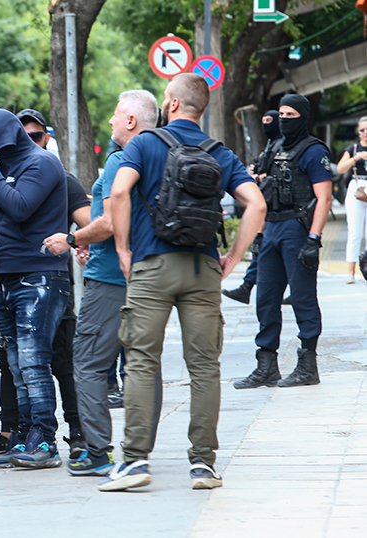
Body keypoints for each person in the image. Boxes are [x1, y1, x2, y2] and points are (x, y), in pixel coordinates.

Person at [105, 73, 266, 491]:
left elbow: (119, 194)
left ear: (173, 104)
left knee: (142, 360)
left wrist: (123, 249)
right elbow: (257, 204)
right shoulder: (219, 153)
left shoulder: (144, 143)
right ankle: (203, 465)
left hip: (151, 266)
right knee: (204, 367)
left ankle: (135, 461)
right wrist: (233, 257)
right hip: (202, 269)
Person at [43, 90, 163, 477]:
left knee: (89, 363)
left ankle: (98, 453)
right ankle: (139, 451)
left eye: (115, 114)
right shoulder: (159, 155)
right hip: (150, 276)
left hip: (111, 279)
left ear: (131, 121)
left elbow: (110, 223)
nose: (110, 121)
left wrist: (73, 238)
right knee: (144, 365)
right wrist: (89, 240)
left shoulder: (121, 160)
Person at [0, 108, 69, 469]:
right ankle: (25, 437)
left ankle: (44, 441)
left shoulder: (42, 163)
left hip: (39, 277)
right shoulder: (6, 171)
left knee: (33, 361)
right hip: (6, 279)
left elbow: (21, 207)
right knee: (15, 364)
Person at [236, 94, 333, 390]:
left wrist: (314, 238)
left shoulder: (313, 151)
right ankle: (266, 366)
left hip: (297, 229)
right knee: (266, 299)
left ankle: (308, 366)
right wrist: (259, 234)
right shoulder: (275, 147)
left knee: (302, 298)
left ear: (303, 117)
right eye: (281, 114)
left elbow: (324, 198)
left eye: (291, 115)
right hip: (273, 228)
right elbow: (264, 192)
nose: (284, 120)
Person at [17, 108, 90, 459]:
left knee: (62, 360)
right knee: (15, 363)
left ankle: (78, 432)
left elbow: (89, 221)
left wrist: (77, 242)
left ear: (47, 138)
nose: (31, 142)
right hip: (14, 282)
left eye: (37, 136)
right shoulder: (10, 177)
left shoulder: (63, 178)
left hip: (54, 284)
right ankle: (16, 433)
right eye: (24, 136)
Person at [223, 111, 283, 304]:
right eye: (263, 121)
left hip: (278, 208)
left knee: (267, 249)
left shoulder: (281, 146)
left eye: (269, 121)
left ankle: (248, 287)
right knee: (263, 249)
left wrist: (256, 177)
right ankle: (247, 287)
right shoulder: (270, 145)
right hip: (269, 204)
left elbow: (274, 175)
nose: (265, 125)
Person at [336, 116, 367, 284]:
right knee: (355, 231)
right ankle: (351, 271)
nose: (365, 133)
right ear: (358, 131)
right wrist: (356, 158)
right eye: (362, 130)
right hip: (357, 186)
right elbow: (340, 168)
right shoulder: (353, 149)